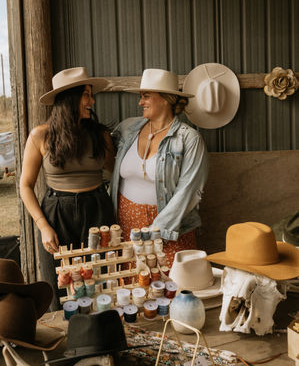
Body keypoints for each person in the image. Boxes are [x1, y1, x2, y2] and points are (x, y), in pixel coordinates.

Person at [20, 67, 116, 310]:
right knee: (59, 285)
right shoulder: (40, 136)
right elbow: (25, 185)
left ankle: (101, 336)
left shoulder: (100, 135)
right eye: (86, 95)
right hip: (56, 213)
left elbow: (117, 170)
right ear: (69, 98)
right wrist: (43, 226)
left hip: (97, 210)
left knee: (100, 280)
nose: (92, 101)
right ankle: (66, 338)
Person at [111, 68, 209, 267]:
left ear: (166, 99)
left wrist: (155, 233)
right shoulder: (128, 129)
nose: (140, 102)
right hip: (126, 225)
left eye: (146, 96)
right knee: (131, 289)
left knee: (171, 288)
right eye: (140, 96)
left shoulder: (189, 139)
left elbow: (188, 192)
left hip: (171, 230)